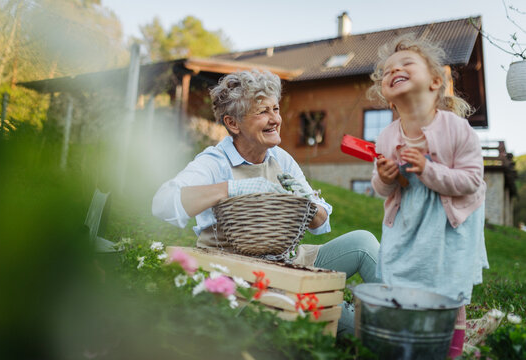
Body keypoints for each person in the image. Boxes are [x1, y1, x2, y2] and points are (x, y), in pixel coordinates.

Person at [152, 69, 380, 336]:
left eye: (276, 109)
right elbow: (162, 204)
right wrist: (231, 188)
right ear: (233, 123)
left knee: (363, 242)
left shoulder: (280, 158)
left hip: (289, 262)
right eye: (263, 112)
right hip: (243, 274)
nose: (275, 119)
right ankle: (394, 334)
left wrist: (308, 201)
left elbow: (321, 222)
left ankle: (409, 313)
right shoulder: (214, 162)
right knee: (351, 323)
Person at [368, 34, 489, 358]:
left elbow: (472, 181)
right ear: (387, 95)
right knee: (403, 287)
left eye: (406, 64)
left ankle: (449, 352)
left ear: (436, 82)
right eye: (387, 71)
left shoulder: (457, 129)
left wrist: (428, 170)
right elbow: (381, 190)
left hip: (451, 226)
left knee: (449, 294)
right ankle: (411, 347)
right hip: (408, 222)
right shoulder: (386, 137)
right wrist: (384, 179)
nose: (394, 70)